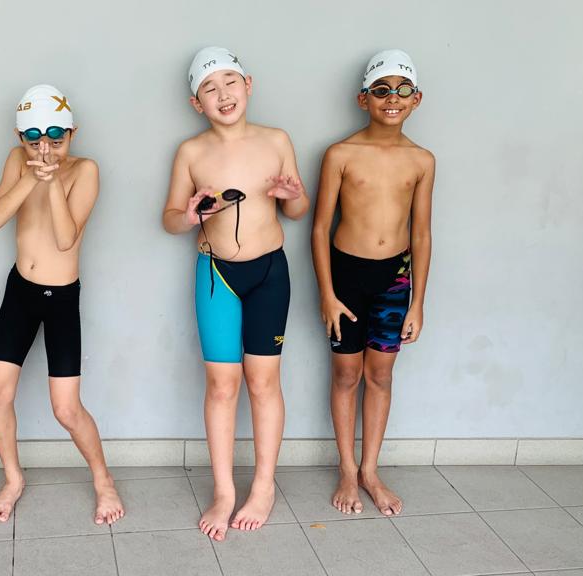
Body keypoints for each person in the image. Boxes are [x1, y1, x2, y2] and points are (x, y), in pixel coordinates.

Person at [162, 47, 309, 541]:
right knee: (222, 386)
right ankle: (224, 490)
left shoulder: (276, 140)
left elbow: (297, 209)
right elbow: (169, 219)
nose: (223, 94)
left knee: (264, 383)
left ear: (249, 84)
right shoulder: (191, 152)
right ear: (195, 102)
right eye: (210, 87)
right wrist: (189, 216)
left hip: (270, 273)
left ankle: (263, 484)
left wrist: (293, 199)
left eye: (230, 82)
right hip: (215, 276)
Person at [0, 84, 124, 526]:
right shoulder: (16, 161)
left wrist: (51, 182)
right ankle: (13, 478)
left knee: (66, 408)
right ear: (20, 137)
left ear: (73, 133)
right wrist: (31, 176)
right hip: (20, 291)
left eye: (57, 140)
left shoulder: (86, 169)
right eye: (34, 141)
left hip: (60, 297)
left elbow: (66, 239)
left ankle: (103, 480)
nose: (46, 150)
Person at [310, 49, 434, 516]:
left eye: (403, 90)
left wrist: (418, 302)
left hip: (394, 279)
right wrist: (326, 292)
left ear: (416, 98)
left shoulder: (422, 160)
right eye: (382, 90)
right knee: (346, 373)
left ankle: (370, 471)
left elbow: (421, 233)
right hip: (345, 277)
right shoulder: (341, 153)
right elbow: (320, 228)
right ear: (364, 98)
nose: (392, 99)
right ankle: (346, 468)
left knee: (380, 374)